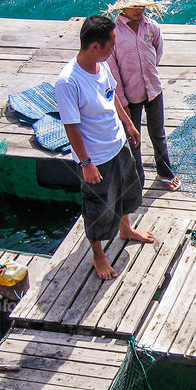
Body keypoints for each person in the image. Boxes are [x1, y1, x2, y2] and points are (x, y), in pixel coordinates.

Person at [55, 15, 154, 280]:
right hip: (96, 158)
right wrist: (86, 164)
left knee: (127, 190)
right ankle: (98, 255)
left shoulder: (102, 65)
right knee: (97, 208)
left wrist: (129, 124)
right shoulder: (68, 82)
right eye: (112, 43)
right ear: (95, 46)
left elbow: (113, 96)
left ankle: (126, 229)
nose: (115, 47)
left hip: (118, 144)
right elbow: (71, 127)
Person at [105, 0, 180, 191]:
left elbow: (157, 52)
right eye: (133, 5)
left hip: (153, 89)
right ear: (122, 7)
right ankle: (137, 180)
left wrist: (148, 72)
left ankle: (165, 172)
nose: (139, 9)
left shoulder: (152, 26)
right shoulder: (113, 33)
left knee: (159, 134)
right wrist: (122, 101)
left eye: (141, 5)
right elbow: (113, 70)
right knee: (133, 138)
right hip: (130, 96)